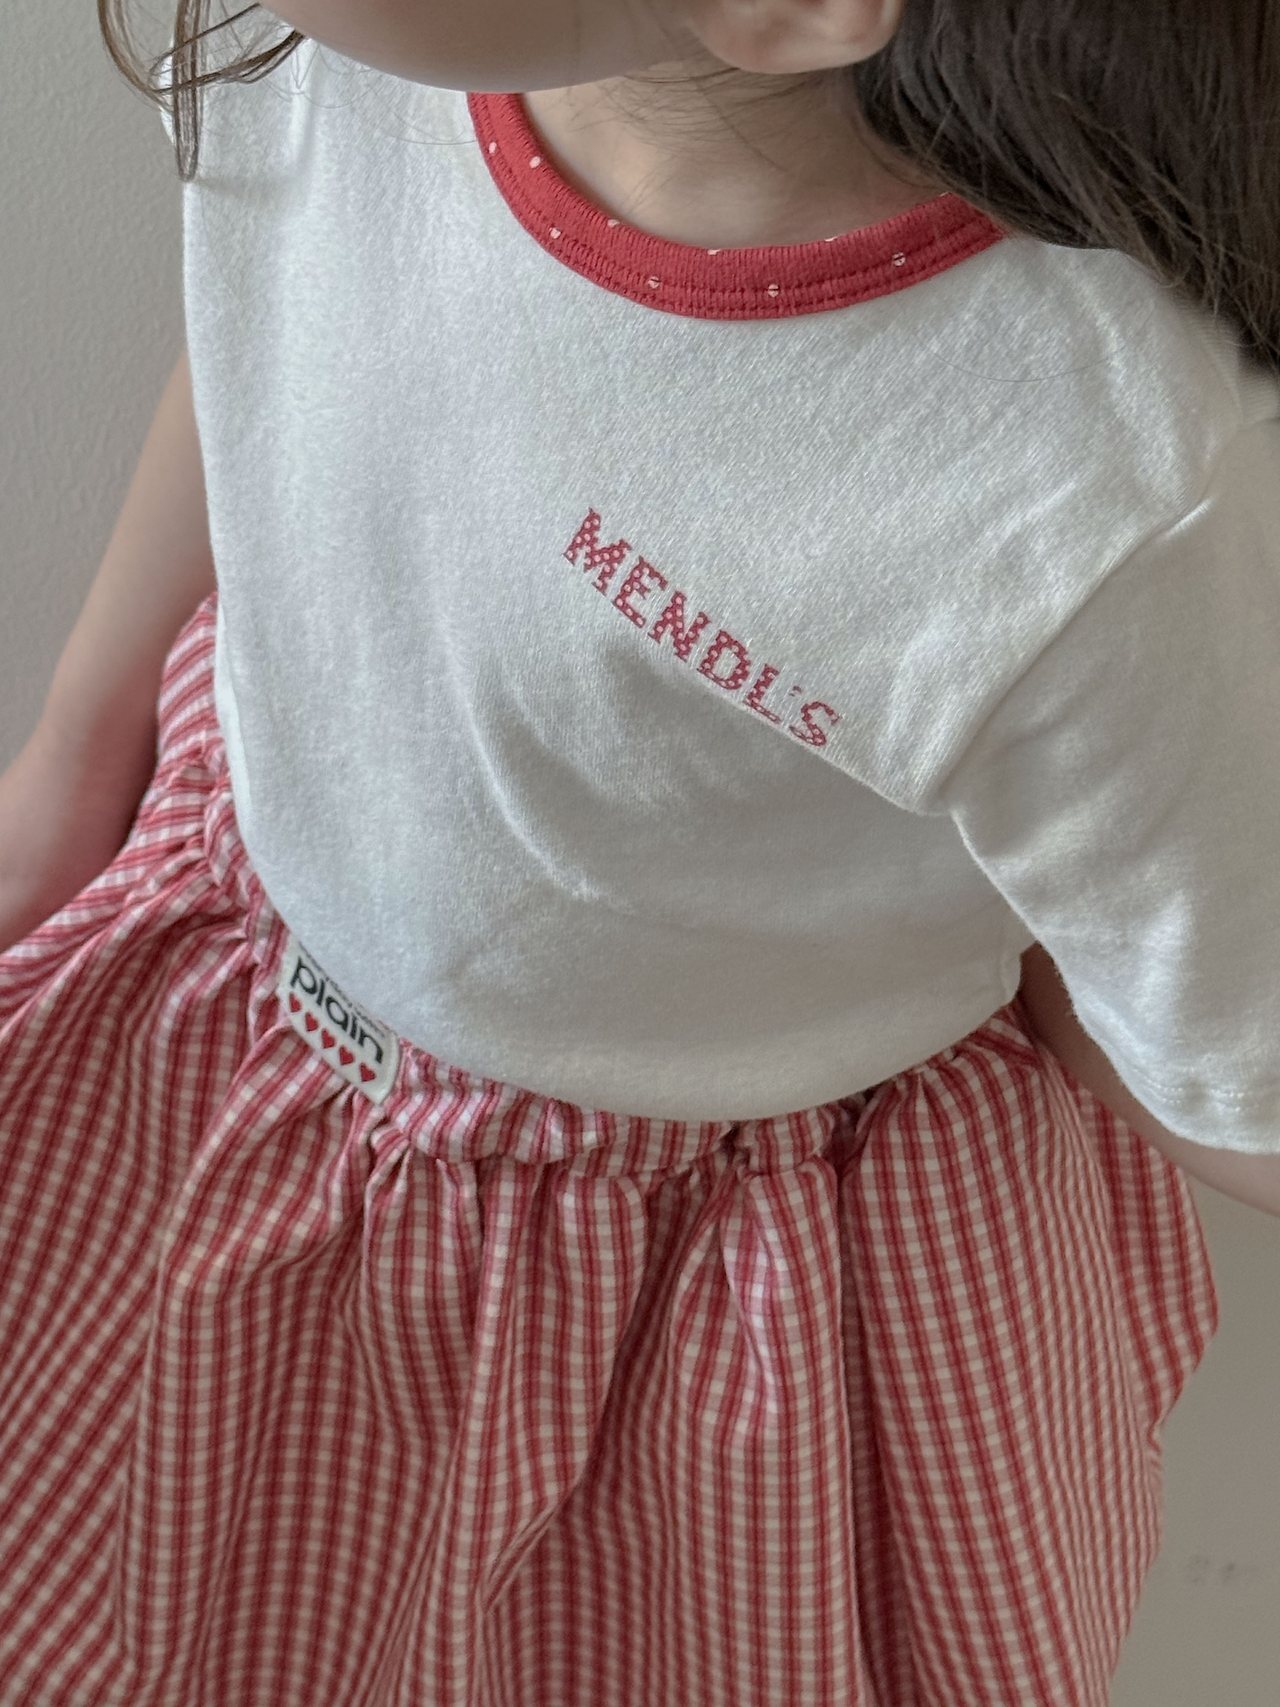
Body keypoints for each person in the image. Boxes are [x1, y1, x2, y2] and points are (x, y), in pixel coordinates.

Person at [1, 0, 1277, 1701]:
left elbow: (1234, 1055)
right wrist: (77, 751)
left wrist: (1076, 941)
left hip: (675, 1316)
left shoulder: (1095, 486)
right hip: (200, 1045)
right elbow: (267, 329)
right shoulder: (343, 49)